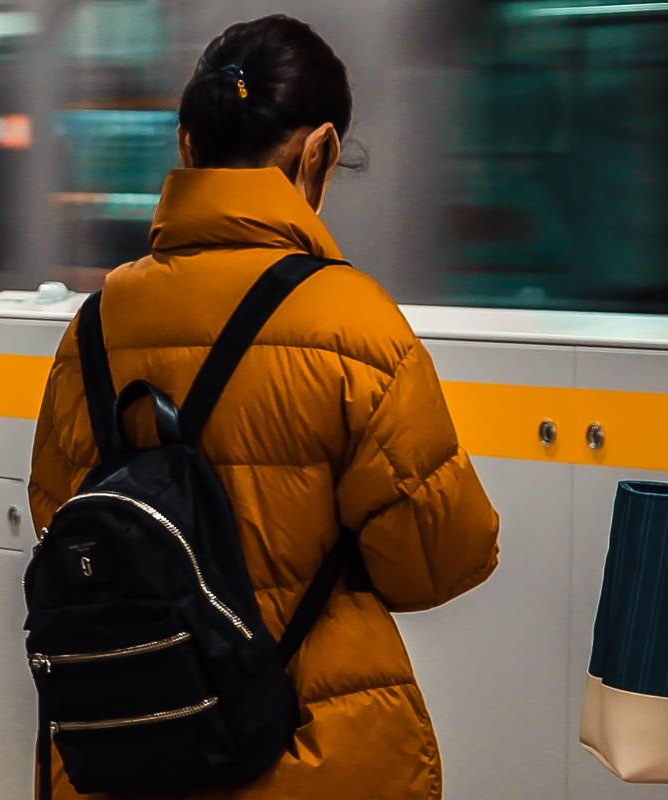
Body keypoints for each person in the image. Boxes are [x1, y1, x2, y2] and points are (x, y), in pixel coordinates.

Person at [26, 15, 501, 798]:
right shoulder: (352, 323)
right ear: (319, 151)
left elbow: (59, 521)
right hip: (311, 748)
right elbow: (437, 560)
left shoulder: (96, 327)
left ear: (187, 146)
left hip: (130, 755)